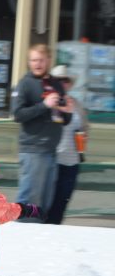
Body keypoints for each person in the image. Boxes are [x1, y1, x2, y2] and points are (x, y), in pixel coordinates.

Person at [13, 44, 72, 212]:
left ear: (48, 60)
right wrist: (44, 105)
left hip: (52, 149)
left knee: (45, 201)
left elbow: (64, 120)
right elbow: (17, 114)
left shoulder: (56, 84)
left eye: (41, 60)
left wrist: (67, 112)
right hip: (33, 149)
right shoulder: (25, 83)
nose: (37, 64)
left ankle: (41, 235)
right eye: (33, 60)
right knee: (29, 199)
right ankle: (22, 233)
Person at [46, 65, 89, 225]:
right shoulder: (49, 102)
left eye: (66, 80)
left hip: (72, 161)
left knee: (62, 200)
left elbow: (84, 126)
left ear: (70, 84)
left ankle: (55, 232)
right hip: (52, 159)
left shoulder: (76, 104)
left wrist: (84, 137)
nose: (63, 83)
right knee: (47, 200)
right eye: (58, 80)